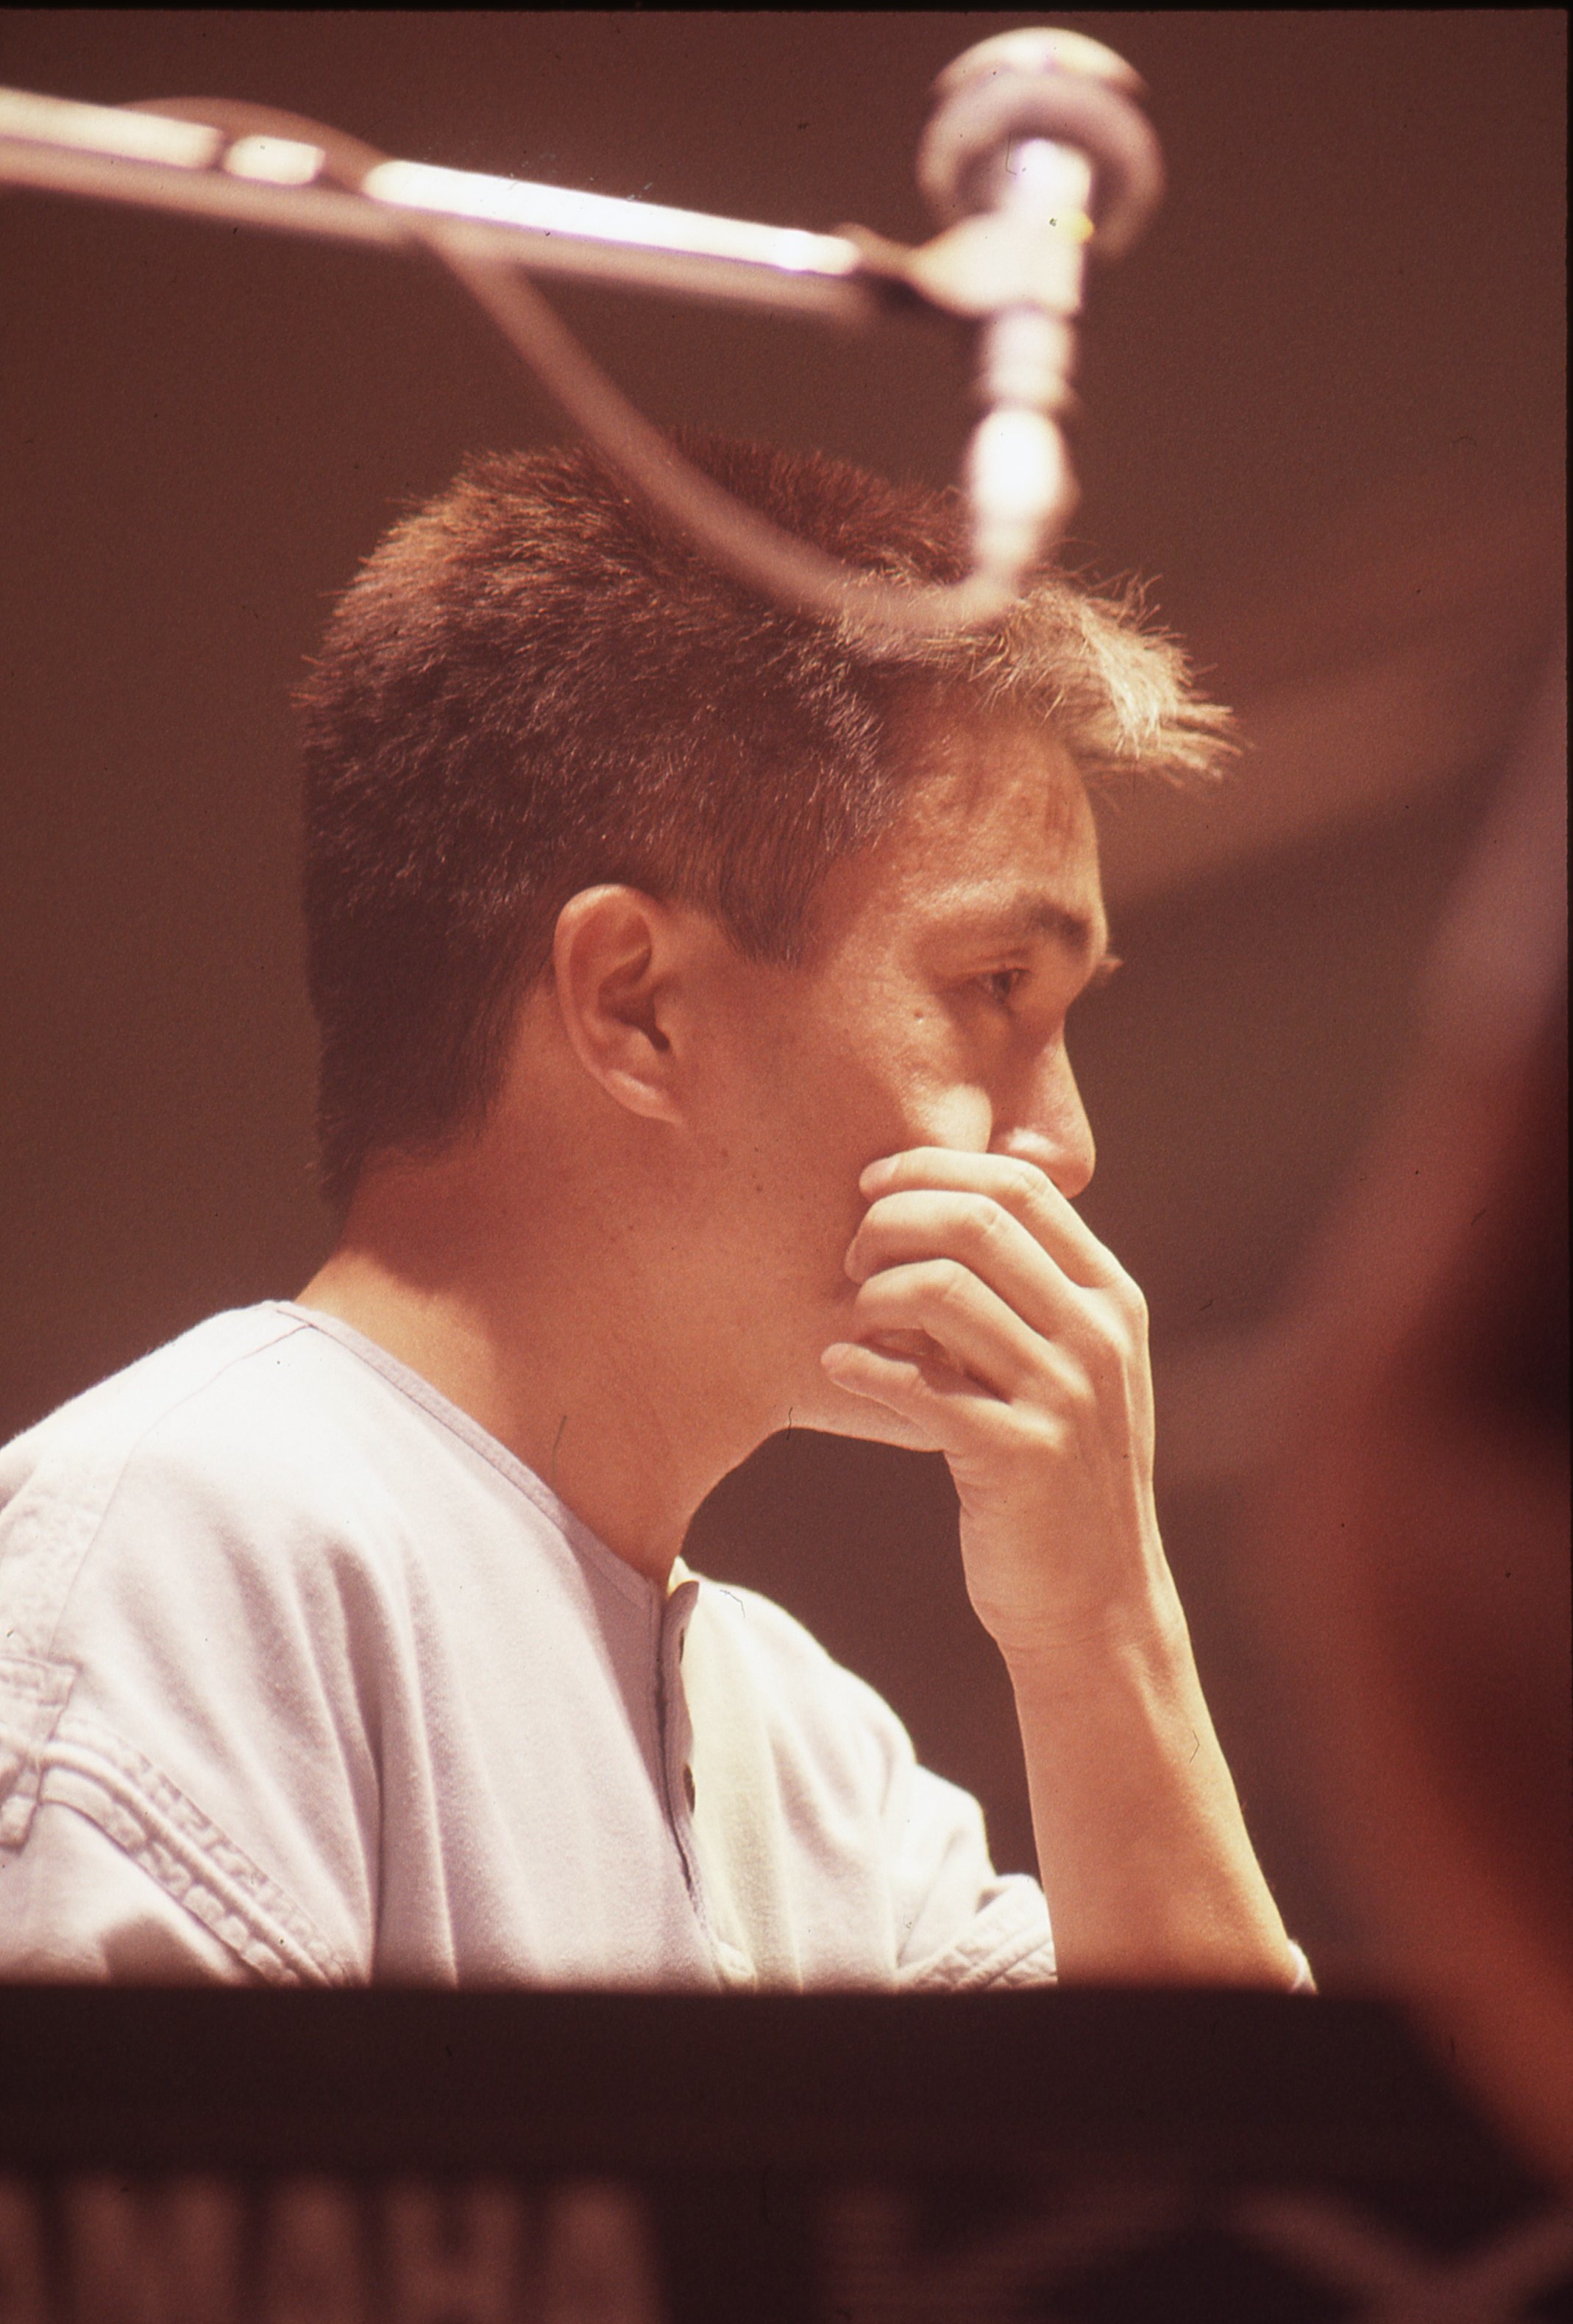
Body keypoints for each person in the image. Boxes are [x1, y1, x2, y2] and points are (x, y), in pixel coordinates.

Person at [0, 436, 1307, 1992]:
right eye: (994, 988)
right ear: (636, 1006)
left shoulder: (821, 1765)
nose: (1065, 1146)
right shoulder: (191, 1551)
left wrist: (1104, 1629)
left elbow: (1215, 2158)